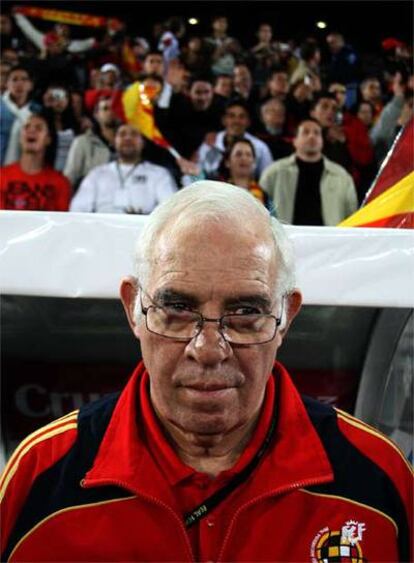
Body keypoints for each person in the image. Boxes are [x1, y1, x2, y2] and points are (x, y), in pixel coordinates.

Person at [0, 182, 411, 562]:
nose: (209, 349)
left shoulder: (378, 481)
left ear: (286, 317)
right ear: (132, 309)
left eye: (246, 313)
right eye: (177, 310)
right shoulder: (41, 477)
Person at [260, 118, 358, 225]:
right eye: (305, 132)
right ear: (295, 141)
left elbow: (352, 215)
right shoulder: (274, 173)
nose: (312, 136)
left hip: (329, 239)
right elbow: (260, 209)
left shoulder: (341, 176)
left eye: (317, 133)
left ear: (322, 141)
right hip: (286, 238)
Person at [69, 123, 177, 214]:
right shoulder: (97, 174)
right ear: (114, 142)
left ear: (143, 142)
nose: (128, 138)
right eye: (122, 134)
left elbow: (170, 212)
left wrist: (144, 221)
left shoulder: (159, 174)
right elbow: (77, 210)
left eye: (134, 134)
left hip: (143, 233)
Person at [0, 112, 71, 211]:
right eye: (26, 127)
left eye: (38, 128)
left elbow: (62, 222)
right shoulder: (2, 176)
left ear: (48, 139)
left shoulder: (60, 183)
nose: (31, 131)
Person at [196, 99, 273, 179]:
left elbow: (268, 179)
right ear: (224, 120)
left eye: (242, 117)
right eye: (231, 116)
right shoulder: (210, 143)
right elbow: (197, 174)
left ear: (248, 122)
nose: (236, 121)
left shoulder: (260, 148)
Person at [64, 96, 119, 190]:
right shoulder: (82, 142)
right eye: (105, 108)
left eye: (115, 108)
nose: (111, 112)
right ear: (96, 114)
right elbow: (68, 180)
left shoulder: (131, 144)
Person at [0, 65, 38, 165]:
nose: (19, 84)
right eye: (14, 79)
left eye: (24, 80)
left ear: (31, 85)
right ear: (7, 84)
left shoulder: (37, 111)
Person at [218, 138, 269, 206]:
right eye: (238, 154)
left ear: (254, 162)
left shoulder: (264, 194)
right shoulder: (219, 191)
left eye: (248, 155)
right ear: (227, 162)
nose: (244, 158)